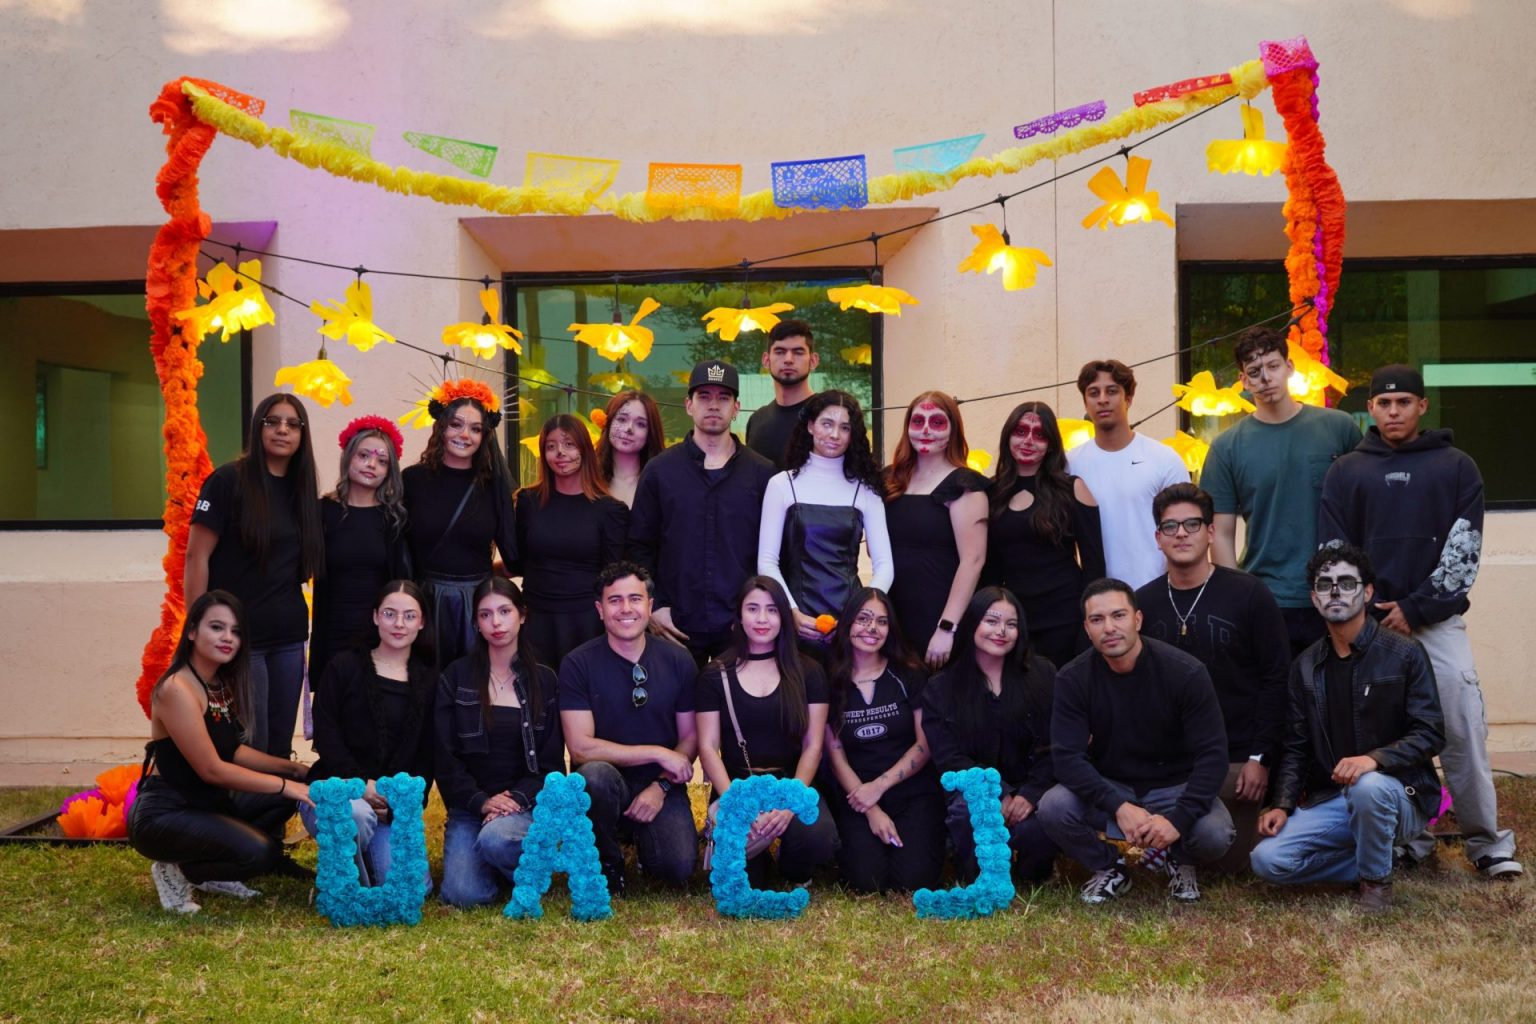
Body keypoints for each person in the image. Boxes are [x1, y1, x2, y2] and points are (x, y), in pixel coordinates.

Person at [1318, 365, 1521, 879]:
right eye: (1384, 403)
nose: (1393, 412)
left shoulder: (1456, 467)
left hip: (1436, 624)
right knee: (1386, 736)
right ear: (1370, 408)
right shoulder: (1346, 472)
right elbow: (1335, 551)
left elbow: (1464, 551)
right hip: (1372, 629)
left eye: (1404, 402)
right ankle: (1410, 839)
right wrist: (1370, 611)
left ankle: (1487, 845)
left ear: (1422, 406)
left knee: (1460, 726)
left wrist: (1415, 608)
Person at [1250, 546, 1446, 913]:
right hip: (1335, 799)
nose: (1336, 591)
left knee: (1368, 787)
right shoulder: (1305, 666)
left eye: (1346, 583)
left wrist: (1374, 760)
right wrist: (1283, 804)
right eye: (1325, 585)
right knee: (1267, 860)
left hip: (1400, 793)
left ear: (1367, 592)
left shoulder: (1405, 653)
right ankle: (1379, 858)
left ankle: (1375, 886)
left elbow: (1431, 732)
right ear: (1314, 598)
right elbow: (1296, 746)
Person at [1038, 579, 1233, 904]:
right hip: (1112, 783)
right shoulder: (1073, 678)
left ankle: (1180, 859)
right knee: (1053, 807)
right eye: (1097, 619)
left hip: (1175, 785)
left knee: (1215, 833)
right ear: (1087, 629)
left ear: (1138, 619)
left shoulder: (1185, 672)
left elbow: (1212, 755)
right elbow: (1067, 758)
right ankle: (1108, 867)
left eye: (1119, 615)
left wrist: (1178, 820)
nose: (1109, 628)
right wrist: (1119, 806)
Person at [1135, 483, 1289, 871]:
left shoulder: (1249, 594)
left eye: (1192, 524)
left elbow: (1275, 678)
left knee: (1228, 862)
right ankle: (1171, 842)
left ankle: (1180, 844)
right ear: (1158, 538)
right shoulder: (1142, 604)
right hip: (1168, 762)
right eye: (1170, 526)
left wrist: (1259, 757)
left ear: (1210, 532)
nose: (1181, 534)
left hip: (1235, 759)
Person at [127, 591, 311, 914]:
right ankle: (179, 869)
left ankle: (208, 869)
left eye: (235, 631)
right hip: (165, 815)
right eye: (217, 627)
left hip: (208, 803)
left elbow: (234, 751)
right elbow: (212, 769)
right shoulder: (176, 689)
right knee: (261, 853)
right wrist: (287, 785)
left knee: (289, 792)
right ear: (192, 631)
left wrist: (294, 771)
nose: (228, 637)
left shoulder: (217, 683)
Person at [1202, 326, 1361, 657]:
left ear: (1289, 367)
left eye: (1273, 366)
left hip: (1338, 592)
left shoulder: (1339, 428)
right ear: (1243, 381)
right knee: (1275, 689)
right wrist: (1236, 599)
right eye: (1254, 371)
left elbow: (1366, 508)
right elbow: (1220, 533)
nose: (1266, 378)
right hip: (1266, 598)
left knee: (1341, 688)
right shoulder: (1227, 447)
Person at [185, 393, 324, 758]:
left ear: (302, 434)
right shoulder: (228, 481)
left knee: (279, 745)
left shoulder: (302, 489)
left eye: (292, 424)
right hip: (242, 638)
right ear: (258, 428)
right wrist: (196, 628)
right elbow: (196, 556)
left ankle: (275, 799)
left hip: (289, 637)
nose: (282, 430)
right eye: (272, 421)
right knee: (250, 744)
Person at [559, 562, 699, 893]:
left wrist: (660, 787)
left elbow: (691, 738)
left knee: (676, 867)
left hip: (660, 783)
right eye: (615, 600)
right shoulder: (577, 663)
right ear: (599, 609)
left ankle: (640, 838)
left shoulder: (679, 660)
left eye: (635, 599)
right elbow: (580, 747)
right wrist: (657, 752)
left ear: (650, 606)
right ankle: (607, 862)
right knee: (593, 776)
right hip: (606, 781)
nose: (626, 609)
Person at [629, 359, 776, 665]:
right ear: (688, 405)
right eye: (704, 396)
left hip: (741, 625)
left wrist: (760, 611)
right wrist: (654, 605)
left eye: (723, 397)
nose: (713, 405)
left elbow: (775, 551)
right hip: (675, 625)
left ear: (736, 408)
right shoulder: (660, 471)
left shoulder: (762, 474)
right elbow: (640, 546)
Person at [697, 577, 839, 885]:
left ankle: (792, 867)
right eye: (753, 609)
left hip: (791, 782)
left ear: (784, 617)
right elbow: (707, 747)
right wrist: (736, 802)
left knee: (818, 837)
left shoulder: (809, 671)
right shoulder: (715, 675)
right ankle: (759, 857)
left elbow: (814, 745)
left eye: (772, 610)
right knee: (748, 880)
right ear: (739, 615)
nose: (762, 619)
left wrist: (790, 802)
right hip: (738, 786)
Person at [434, 577, 564, 907]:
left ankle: (519, 860)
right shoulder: (456, 676)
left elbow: (550, 763)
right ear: (476, 623)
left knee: (497, 838)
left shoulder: (545, 679)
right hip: (470, 806)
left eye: (505, 611)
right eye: (485, 614)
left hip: (525, 805)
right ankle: (501, 868)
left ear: (522, 615)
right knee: (463, 894)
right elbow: (444, 756)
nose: (496, 622)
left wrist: (514, 800)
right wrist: (481, 802)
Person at [919, 587, 1061, 885]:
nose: (1001, 631)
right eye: (992, 621)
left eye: (1011, 624)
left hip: (1030, 788)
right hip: (975, 789)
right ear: (972, 623)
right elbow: (948, 757)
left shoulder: (1043, 675)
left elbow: (1055, 745)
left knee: (1041, 824)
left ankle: (1035, 872)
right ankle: (974, 874)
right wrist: (999, 791)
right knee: (969, 812)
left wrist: (1030, 793)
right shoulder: (941, 687)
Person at [304, 580, 435, 888]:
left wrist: (400, 804)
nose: (399, 624)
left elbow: (428, 755)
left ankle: (365, 865)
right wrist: (361, 784)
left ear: (421, 622)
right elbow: (327, 736)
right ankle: (343, 883)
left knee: (414, 886)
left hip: (390, 805)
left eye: (409, 616)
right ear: (376, 616)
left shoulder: (430, 681)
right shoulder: (343, 667)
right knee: (357, 817)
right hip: (339, 791)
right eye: (389, 614)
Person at [823, 588, 944, 893]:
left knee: (913, 881)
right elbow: (836, 756)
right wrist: (870, 808)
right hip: (857, 793)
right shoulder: (831, 680)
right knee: (866, 881)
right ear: (847, 623)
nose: (872, 628)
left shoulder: (909, 674)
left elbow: (924, 744)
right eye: (863, 619)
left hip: (911, 790)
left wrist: (880, 786)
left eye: (882, 621)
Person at [757, 390, 892, 651]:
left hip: (851, 625)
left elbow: (885, 565)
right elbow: (767, 561)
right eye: (827, 424)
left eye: (845, 427)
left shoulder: (866, 489)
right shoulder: (782, 484)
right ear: (810, 425)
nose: (835, 435)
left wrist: (862, 616)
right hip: (796, 619)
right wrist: (790, 612)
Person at [402, 380, 518, 670]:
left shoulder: (494, 486)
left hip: (479, 603)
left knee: (475, 683)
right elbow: (400, 549)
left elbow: (514, 556)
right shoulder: (412, 480)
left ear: (484, 436)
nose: (464, 435)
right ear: (441, 427)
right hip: (427, 601)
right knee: (427, 683)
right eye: (456, 424)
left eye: (475, 429)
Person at [984, 400, 1105, 667]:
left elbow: (1094, 567)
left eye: (1039, 434)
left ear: (1051, 444)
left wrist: (1089, 624)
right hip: (1013, 621)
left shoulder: (1073, 489)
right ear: (1007, 437)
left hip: (1065, 618)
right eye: (1020, 431)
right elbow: (989, 569)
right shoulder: (991, 493)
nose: (1028, 440)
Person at [883, 390, 988, 669]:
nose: (926, 430)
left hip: (939, 615)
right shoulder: (889, 480)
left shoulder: (965, 484)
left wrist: (947, 627)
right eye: (918, 421)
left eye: (937, 422)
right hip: (893, 612)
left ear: (953, 429)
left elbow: (973, 560)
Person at [513, 414, 628, 669]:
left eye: (569, 444)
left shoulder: (610, 510)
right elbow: (520, 560)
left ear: (584, 449)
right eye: (551, 446)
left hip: (587, 620)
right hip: (536, 617)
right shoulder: (528, 501)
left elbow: (613, 575)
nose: (560, 453)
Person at [1065, 360, 1188, 591]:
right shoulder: (1070, 465)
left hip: (1157, 591)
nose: (1103, 399)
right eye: (1094, 393)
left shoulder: (1163, 459)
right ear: (1085, 402)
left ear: (1128, 399)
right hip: (1096, 597)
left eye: (1112, 391)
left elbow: (1186, 531)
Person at [310, 415, 412, 686]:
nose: (371, 465)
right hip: (333, 630)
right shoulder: (323, 512)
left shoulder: (394, 518)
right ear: (348, 458)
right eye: (363, 456)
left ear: (390, 470)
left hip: (381, 634)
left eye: (382, 461)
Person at [745, 319, 819, 469]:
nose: (788, 359)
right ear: (766, 360)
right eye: (780, 352)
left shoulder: (826, 417)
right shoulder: (756, 420)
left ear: (813, 361)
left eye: (798, 352)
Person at [595, 389, 664, 508]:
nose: (629, 429)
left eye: (640, 424)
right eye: (621, 419)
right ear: (608, 423)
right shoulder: (588, 477)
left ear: (650, 433)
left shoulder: (662, 482)